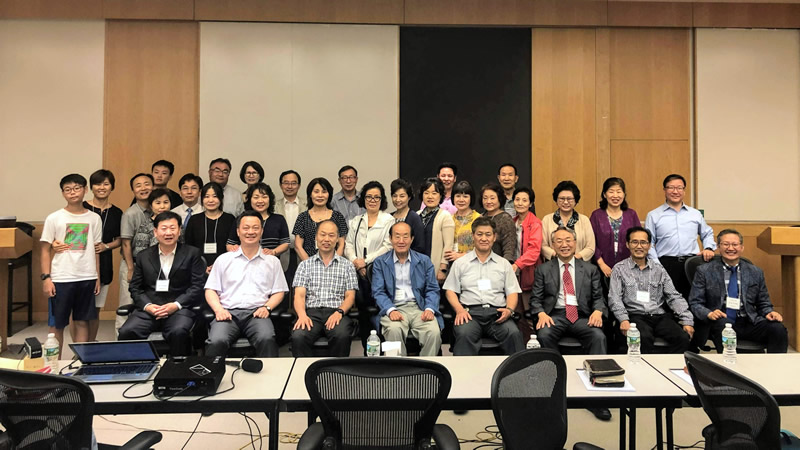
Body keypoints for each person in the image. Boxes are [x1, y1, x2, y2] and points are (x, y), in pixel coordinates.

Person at [530, 226, 610, 421]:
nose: (564, 245)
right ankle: (554, 389)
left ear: (575, 243)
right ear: (553, 245)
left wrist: (598, 311)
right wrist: (540, 313)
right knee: (544, 334)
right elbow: (535, 299)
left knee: (598, 337)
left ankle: (598, 398)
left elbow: (599, 298)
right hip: (555, 315)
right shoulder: (543, 269)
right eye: (559, 241)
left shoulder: (590, 269)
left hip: (582, 316)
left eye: (568, 240)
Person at [119, 212, 205, 355]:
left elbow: (197, 286)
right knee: (127, 331)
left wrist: (175, 305)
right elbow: (135, 288)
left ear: (179, 231)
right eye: (164, 228)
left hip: (179, 309)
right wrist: (148, 306)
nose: (168, 233)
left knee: (179, 332)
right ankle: (138, 367)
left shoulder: (192, 253)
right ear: (155, 232)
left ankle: (177, 368)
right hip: (149, 310)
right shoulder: (143, 256)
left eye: (172, 228)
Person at [688, 229, 788, 353]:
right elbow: (695, 303)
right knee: (722, 326)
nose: (730, 248)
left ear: (742, 247)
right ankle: (729, 363)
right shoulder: (704, 271)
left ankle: (776, 364)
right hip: (720, 321)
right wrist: (709, 313)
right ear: (718, 247)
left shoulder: (755, 272)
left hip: (749, 321)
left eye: (735, 244)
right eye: (726, 244)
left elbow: (764, 303)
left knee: (777, 328)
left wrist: (769, 312)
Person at [205, 211, 289, 357]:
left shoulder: (272, 261)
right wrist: (218, 310)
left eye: (255, 228)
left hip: (257, 314)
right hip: (227, 313)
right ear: (238, 231)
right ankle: (212, 372)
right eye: (246, 228)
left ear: (261, 231)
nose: (250, 232)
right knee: (217, 340)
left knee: (266, 338)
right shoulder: (223, 260)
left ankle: (271, 373)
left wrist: (267, 307)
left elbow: (279, 291)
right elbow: (210, 289)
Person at [40, 174, 102, 354]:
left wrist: (97, 276)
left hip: (87, 277)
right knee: (57, 325)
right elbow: (45, 250)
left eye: (76, 188)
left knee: (82, 321)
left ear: (85, 190)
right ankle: (55, 364)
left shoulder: (94, 218)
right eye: (67, 189)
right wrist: (46, 278)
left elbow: (96, 250)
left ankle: (79, 362)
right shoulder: (54, 218)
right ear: (62, 193)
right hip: (61, 277)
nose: (72, 192)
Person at [443, 217, 523, 356]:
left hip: (497, 314)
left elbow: (512, 292)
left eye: (488, 234)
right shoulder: (460, 263)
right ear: (473, 236)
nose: (484, 238)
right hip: (469, 314)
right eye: (479, 234)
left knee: (514, 334)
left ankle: (518, 370)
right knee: (464, 334)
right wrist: (459, 310)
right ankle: (462, 371)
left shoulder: (504, 264)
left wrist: (509, 310)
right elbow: (450, 290)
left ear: (494, 237)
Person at [608, 227, 694, 354]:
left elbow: (673, 296)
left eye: (643, 242)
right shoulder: (619, 269)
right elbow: (614, 298)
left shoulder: (659, 269)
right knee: (643, 337)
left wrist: (687, 320)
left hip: (659, 316)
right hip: (634, 316)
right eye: (634, 242)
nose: (639, 246)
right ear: (627, 244)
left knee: (682, 338)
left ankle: (666, 366)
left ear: (649, 246)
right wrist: (623, 319)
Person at [372, 221, 443, 356]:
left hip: (419, 307)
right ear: (390, 238)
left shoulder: (424, 261)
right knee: (393, 330)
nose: (401, 241)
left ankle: (427, 368)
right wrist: (390, 310)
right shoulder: (380, 262)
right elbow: (378, 292)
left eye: (405, 236)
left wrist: (429, 308)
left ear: (412, 239)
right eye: (397, 236)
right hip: (394, 307)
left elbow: (432, 289)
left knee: (433, 332)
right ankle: (398, 368)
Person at [292, 220, 358, 357]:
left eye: (331, 235)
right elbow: (299, 295)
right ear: (316, 237)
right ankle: (304, 370)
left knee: (341, 335)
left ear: (338, 239)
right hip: (311, 313)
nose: (326, 239)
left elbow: (350, 296)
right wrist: (302, 315)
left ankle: (337, 370)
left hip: (336, 312)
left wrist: (339, 312)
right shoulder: (305, 265)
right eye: (322, 235)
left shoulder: (347, 266)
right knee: (299, 335)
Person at [645, 174, 716, 300]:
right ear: (664, 190)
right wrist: (656, 265)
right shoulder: (654, 215)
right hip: (666, 264)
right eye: (671, 187)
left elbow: (707, 233)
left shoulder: (695, 214)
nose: (675, 191)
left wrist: (709, 248)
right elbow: (648, 243)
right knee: (668, 301)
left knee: (694, 300)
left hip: (692, 263)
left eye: (679, 188)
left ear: (684, 190)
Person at [344, 181, 394, 352]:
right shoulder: (356, 221)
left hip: (379, 272)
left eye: (376, 197)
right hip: (358, 273)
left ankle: (384, 350)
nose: (372, 200)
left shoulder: (388, 220)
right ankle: (368, 351)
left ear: (382, 200)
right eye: (369, 197)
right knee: (364, 312)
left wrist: (366, 261)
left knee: (380, 311)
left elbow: (388, 245)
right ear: (363, 199)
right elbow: (348, 244)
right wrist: (356, 261)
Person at [79, 170, 122, 342]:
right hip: (81, 264)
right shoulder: (82, 207)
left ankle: (90, 344)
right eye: (97, 184)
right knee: (79, 310)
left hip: (103, 264)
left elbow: (120, 239)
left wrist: (106, 246)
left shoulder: (117, 212)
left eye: (106, 184)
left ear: (112, 187)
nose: (102, 187)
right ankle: (78, 346)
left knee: (95, 310)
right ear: (91, 187)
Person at [117, 173, 153, 332]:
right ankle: (120, 340)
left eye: (147, 184)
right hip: (132, 263)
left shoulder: (158, 210)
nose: (143, 188)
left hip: (151, 266)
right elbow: (125, 243)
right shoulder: (130, 213)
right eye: (138, 185)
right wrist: (131, 269)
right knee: (127, 304)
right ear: (133, 190)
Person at [590, 177, 641, 280]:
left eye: (619, 191)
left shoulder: (631, 214)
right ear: (604, 194)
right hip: (602, 270)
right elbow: (591, 242)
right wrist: (602, 264)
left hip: (629, 269)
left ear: (624, 194)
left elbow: (639, 240)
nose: (615, 195)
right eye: (611, 191)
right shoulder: (596, 215)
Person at [226, 182, 290, 259]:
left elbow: (285, 243)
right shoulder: (241, 219)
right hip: (244, 261)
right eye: (256, 197)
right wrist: (234, 249)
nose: (260, 201)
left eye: (264, 197)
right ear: (250, 199)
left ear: (270, 199)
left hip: (271, 261)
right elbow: (230, 244)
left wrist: (273, 252)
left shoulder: (279, 219)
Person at [511, 186, 542, 339]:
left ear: (530, 203)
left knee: (529, 312)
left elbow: (534, 251)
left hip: (528, 273)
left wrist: (517, 264)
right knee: (516, 313)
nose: (520, 203)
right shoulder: (513, 222)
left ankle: (534, 345)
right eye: (517, 199)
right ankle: (520, 346)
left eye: (524, 200)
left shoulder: (535, 223)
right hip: (513, 273)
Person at [184, 182, 236, 272]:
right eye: (207, 196)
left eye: (215, 196)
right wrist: (202, 267)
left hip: (226, 267)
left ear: (221, 198)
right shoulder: (194, 220)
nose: (210, 200)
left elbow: (233, 245)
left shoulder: (230, 219)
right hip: (198, 268)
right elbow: (189, 247)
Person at [293, 177, 348, 261]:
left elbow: (342, 244)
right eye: (316, 192)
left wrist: (333, 263)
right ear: (310, 194)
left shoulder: (338, 216)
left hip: (334, 264)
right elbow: (298, 246)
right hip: (308, 264)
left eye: (324, 192)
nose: (320, 195)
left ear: (329, 194)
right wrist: (309, 264)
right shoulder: (302, 217)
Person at [541, 180, 595, 261]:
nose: (566, 202)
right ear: (556, 200)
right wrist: (558, 257)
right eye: (562, 199)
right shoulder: (547, 219)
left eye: (569, 199)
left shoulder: (584, 220)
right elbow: (543, 245)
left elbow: (590, 247)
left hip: (579, 264)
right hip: (554, 263)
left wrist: (574, 259)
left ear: (575, 201)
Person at [418, 177, 454, 284]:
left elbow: (448, 245)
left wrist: (443, 268)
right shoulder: (416, 215)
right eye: (426, 193)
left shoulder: (445, 216)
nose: (430, 196)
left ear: (441, 195)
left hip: (435, 268)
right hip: (417, 268)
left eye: (434, 193)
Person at [275, 169, 306, 274]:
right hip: (281, 254)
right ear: (280, 185)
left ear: (299, 185)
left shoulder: (308, 205)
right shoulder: (274, 206)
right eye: (286, 183)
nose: (290, 186)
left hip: (303, 252)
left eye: (293, 183)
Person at [445, 180, 481, 263]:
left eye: (465, 196)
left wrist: (461, 255)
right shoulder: (449, 219)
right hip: (451, 264)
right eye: (458, 196)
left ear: (471, 198)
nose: (461, 200)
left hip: (473, 264)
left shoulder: (479, 219)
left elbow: (483, 246)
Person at [480, 183, 517, 264]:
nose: (488, 201)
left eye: (492, 198)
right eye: (485, 198)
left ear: (499, 199)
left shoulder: (505, 219)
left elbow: (509, 249)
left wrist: (504, 267)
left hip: (499, 266)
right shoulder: (480, 218)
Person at [131, 189, 171, 260]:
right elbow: (140, 253)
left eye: (166, 202)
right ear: (151, 206)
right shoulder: (145, 226)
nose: (162, 206)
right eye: (158, 203)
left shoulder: (176, 224)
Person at [390, 178, 425, 254]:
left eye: (402, 196)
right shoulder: (389, 217)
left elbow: (419, 246)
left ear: (409, 197)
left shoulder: (414, 218)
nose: (397, 199)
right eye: (395, 196)